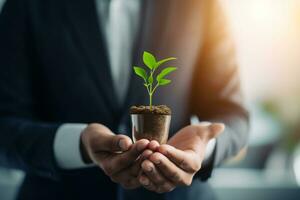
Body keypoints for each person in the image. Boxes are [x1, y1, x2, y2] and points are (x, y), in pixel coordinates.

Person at [0, 0, 249, 199]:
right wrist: (77, 144)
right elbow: (5, 124)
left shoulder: (200, 4)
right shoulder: (28, 4)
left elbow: (232, 114)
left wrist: (203, 148)